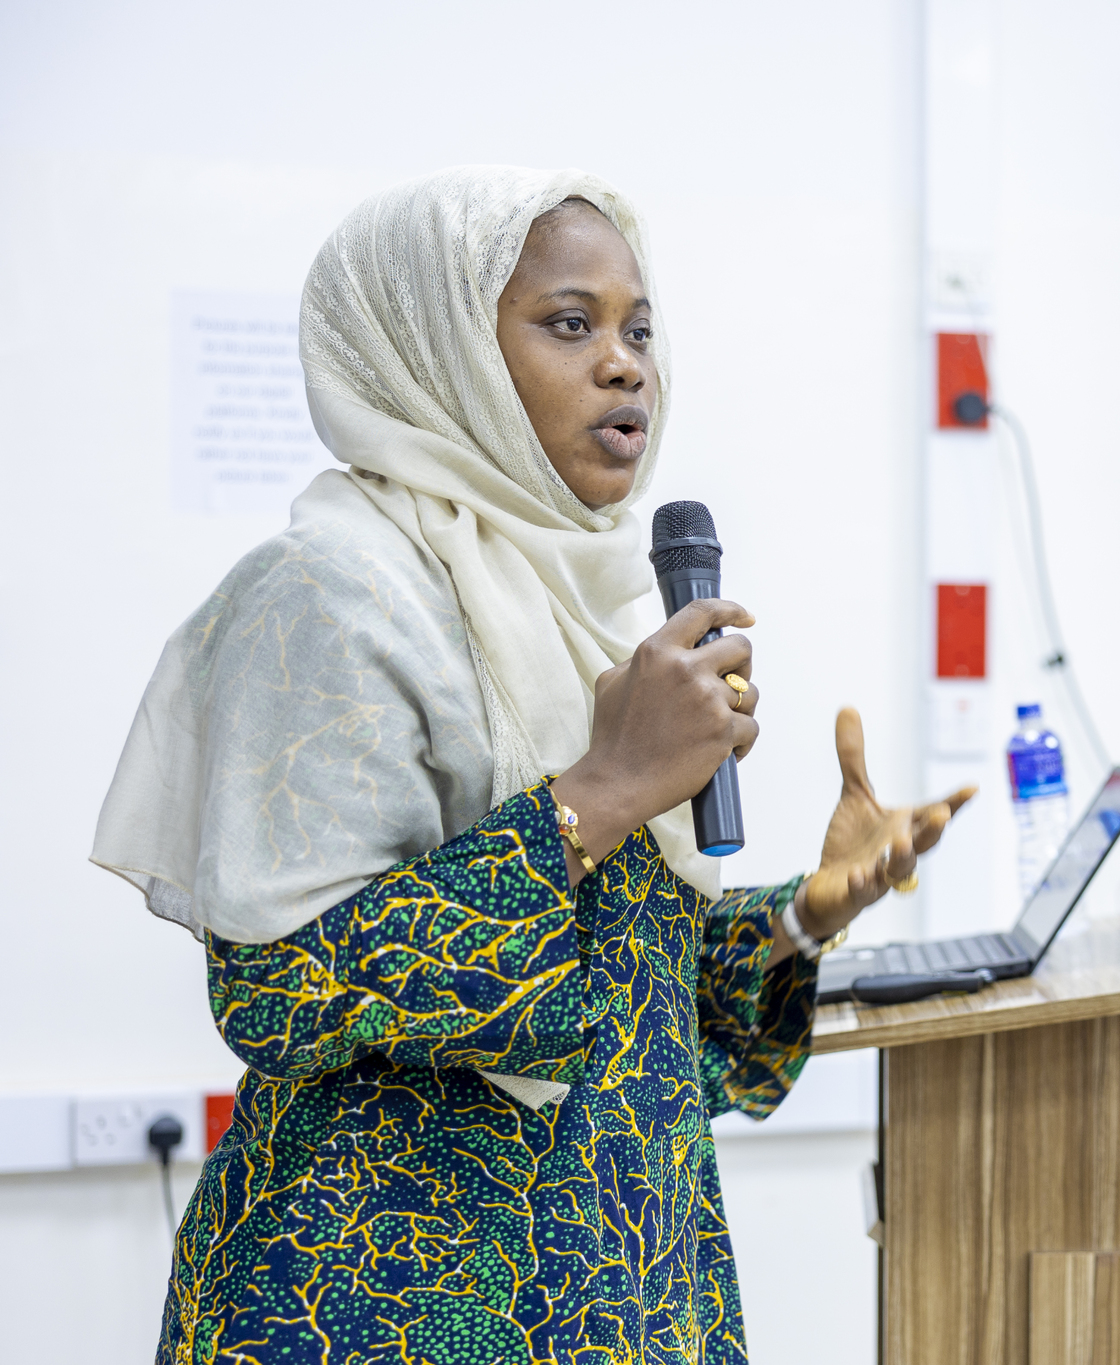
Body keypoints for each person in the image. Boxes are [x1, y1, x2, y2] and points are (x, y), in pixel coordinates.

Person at [91, 166, 973, 1365]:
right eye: (571, 324)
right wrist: (605, 789)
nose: (627, 367)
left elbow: (621, 996)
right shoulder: (332, 597)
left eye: (640, 330)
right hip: (375, 1302)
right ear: (431, 349)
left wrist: (805, 919)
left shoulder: (582, 610)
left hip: (615, 1288)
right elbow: (280, 987)